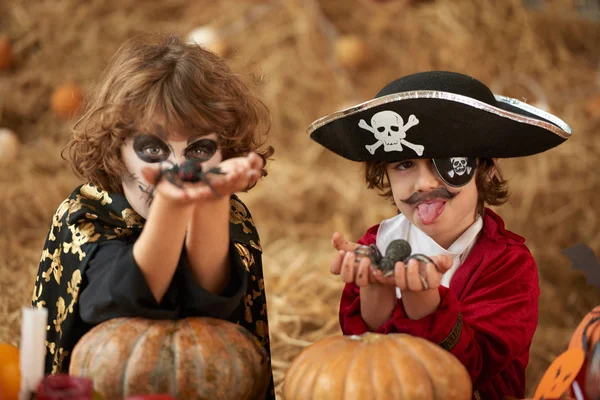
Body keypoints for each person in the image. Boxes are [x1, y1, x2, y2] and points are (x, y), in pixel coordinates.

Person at [32, 32, 275, 398]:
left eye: (199, 149)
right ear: (116, 148)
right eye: (152, 147)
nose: (177, 166)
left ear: (224, 151)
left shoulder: (229, 214)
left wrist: (211, 204)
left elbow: (214, 308)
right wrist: (172, 205)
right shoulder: (86, 215)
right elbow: (119, 303)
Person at [307, 71, 573, 399]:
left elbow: (466, 372)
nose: (424, 184)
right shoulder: (375, 247)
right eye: (404, 164)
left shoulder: (508, 265)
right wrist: (375, 288)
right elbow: (368, 366)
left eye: (446, 162)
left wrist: (422, 297)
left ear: (486, 168)